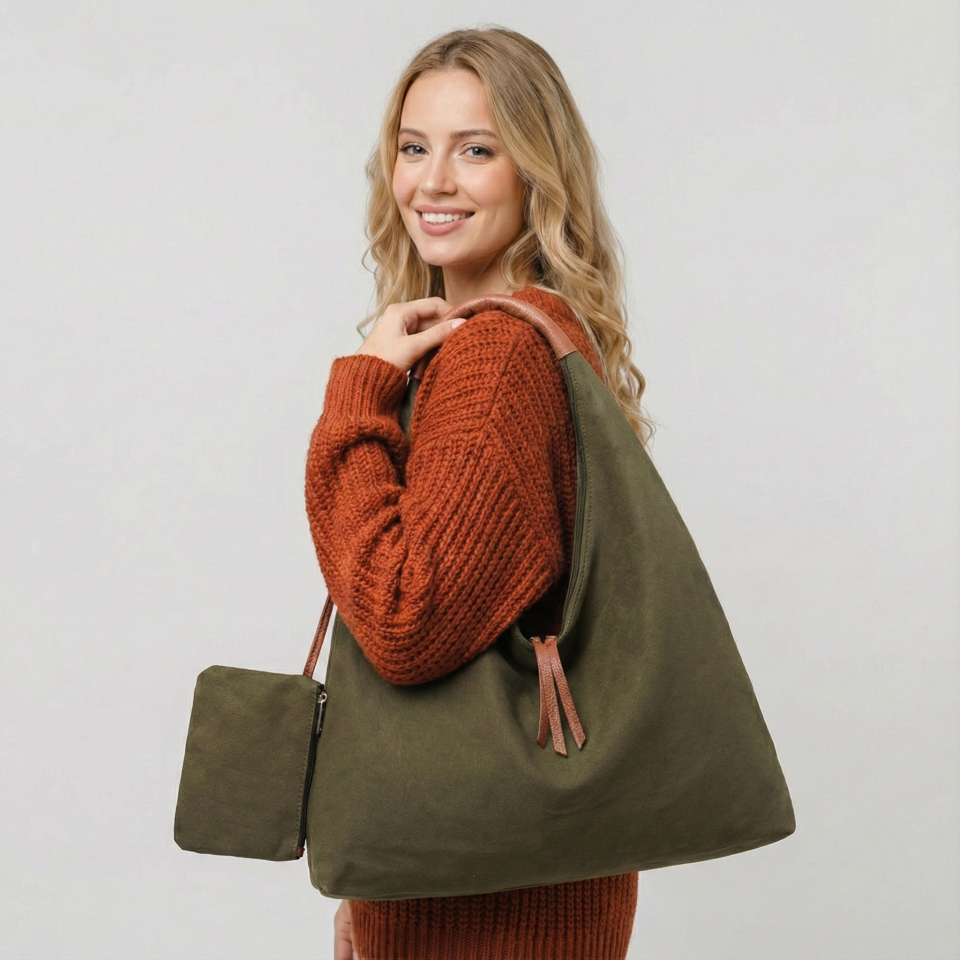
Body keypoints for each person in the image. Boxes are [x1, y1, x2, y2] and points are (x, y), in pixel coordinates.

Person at [305, 26, 654, 960]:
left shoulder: (495, 355)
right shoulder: (538, 332)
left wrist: (360, 393)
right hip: (499, 874)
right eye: (414, 147)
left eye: (476, 151)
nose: (433, 182)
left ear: (536, 171)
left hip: (486, 903)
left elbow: (406, 617)